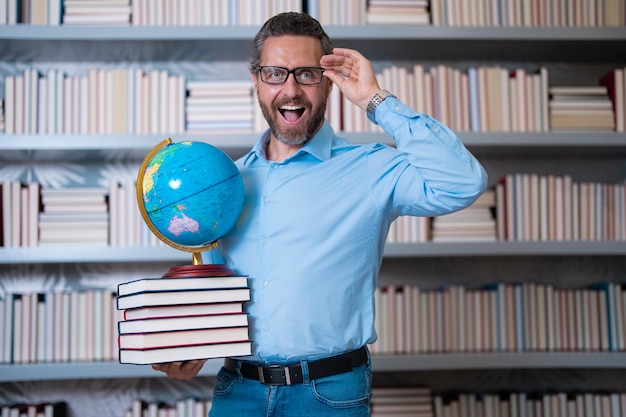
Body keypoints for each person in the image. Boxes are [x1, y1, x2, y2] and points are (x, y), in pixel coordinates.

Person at [152, 11, 487, 417]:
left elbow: (463, 183)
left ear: (329, 80)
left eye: (307, 74)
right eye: (275, 73)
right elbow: (219, 285)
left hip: (330, 394)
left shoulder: (371, 168)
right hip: (237, 391)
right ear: (256, 79)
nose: (290, 90)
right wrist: (192, 346)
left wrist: (375, 100)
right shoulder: (227, 183)